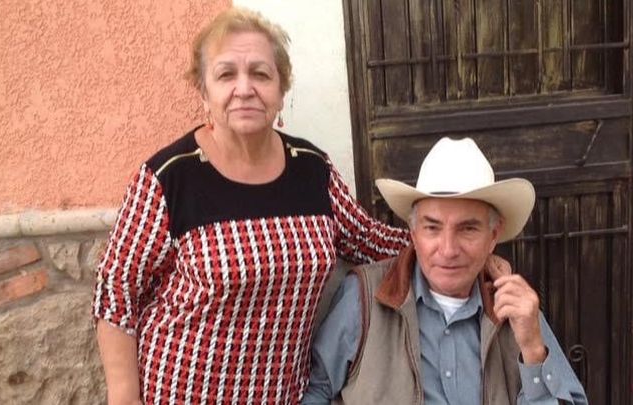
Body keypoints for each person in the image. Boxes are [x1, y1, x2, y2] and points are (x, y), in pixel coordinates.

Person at [92, 7, 409, 405]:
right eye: (226, 75)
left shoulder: (313, 170)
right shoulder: (170, 177)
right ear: (204, 93)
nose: (244, 88)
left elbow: (368, 240)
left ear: (281, 90)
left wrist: (454, 244)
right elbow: (116, 289)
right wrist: (124, 396)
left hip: (283, 395)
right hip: (181, 393)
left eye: (260, 74)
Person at [303, 137, 588, 404]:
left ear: (493, 236)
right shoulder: (363, 297)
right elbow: (317, 390)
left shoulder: (516, 310)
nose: (448, 249)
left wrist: (534, 353)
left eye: (468, 229)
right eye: (432, 227)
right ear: (413, 232)